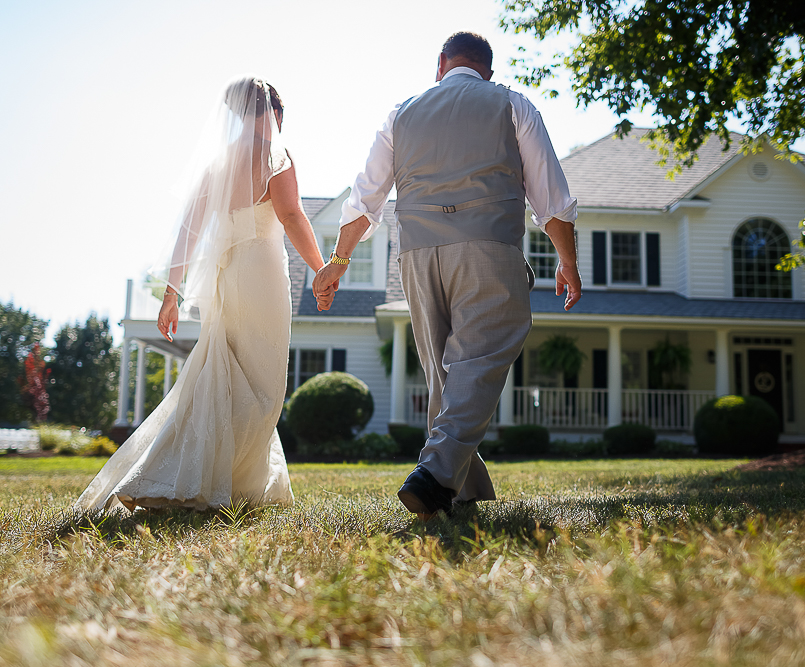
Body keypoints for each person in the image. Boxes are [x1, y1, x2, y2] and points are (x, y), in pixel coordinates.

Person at [313, 32, 581, 519]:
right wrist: (568, 260)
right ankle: (435, 475)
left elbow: (366, 196)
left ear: (440, 64)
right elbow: (551, 196)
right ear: (488, 71)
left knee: (444, 373)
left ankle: (463, 488)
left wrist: (339, 260)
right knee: (477, 362)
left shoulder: (401, 112)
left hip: (417, 254)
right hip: (487, 246)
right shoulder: (511, 103)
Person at [75, 76, 327, 512]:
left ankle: (191, 475)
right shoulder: (278, 156)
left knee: (218, 375)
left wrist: (170, 293)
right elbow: (290, 214)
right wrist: (321, 269)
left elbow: (189, 230)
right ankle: (232, 484)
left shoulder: (218, 164)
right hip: (263, 278)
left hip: (226, 283)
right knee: (263, 384)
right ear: (276, 114)